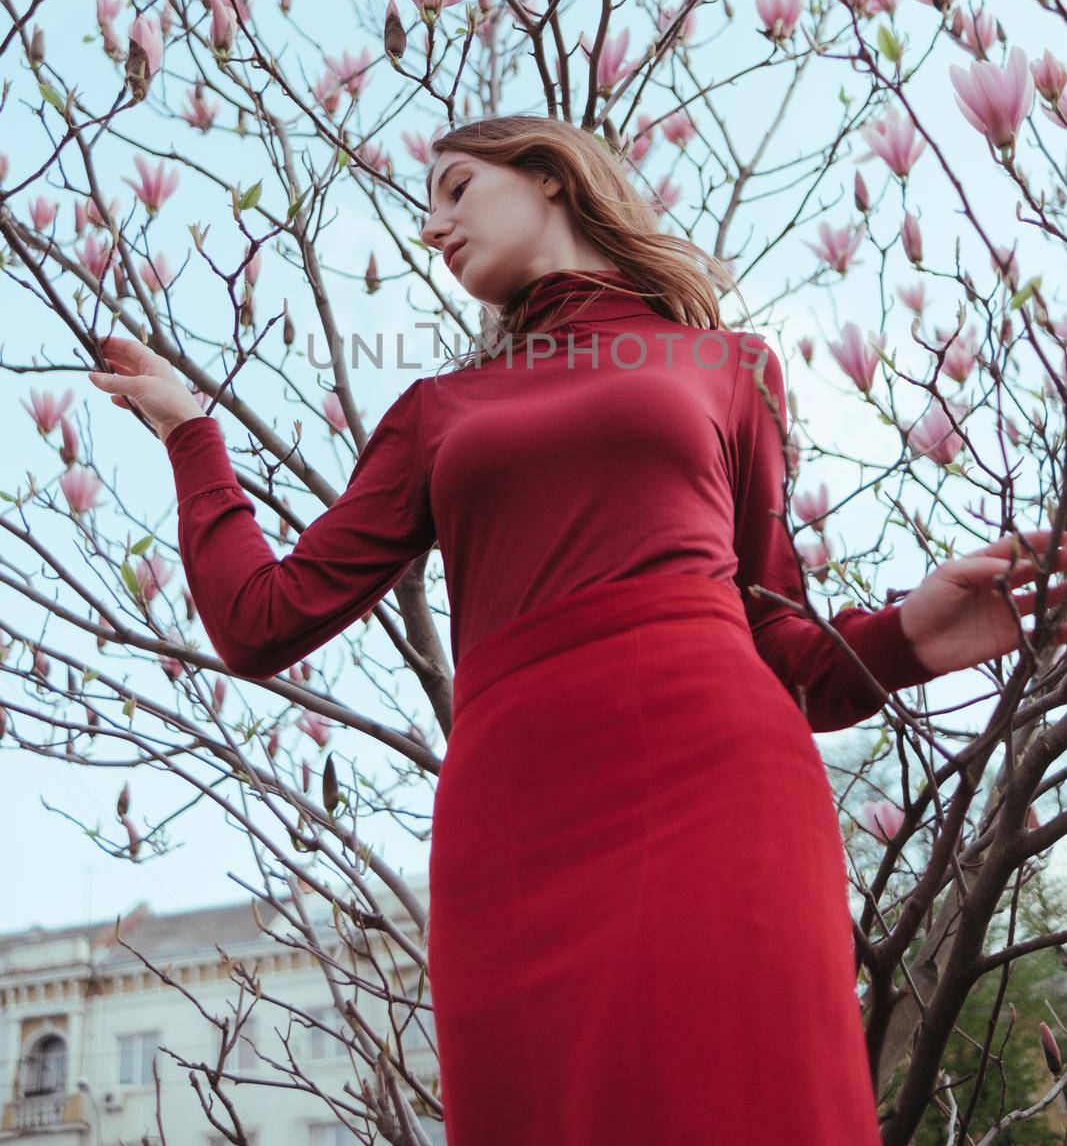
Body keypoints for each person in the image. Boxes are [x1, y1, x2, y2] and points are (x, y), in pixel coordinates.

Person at [86, 113, 1067, 1144]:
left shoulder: (729, 367)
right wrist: (191, 434)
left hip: (719, 784)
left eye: (455, 189)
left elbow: (781, 646)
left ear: (549, 175)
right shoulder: (436, 408)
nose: (432, 227)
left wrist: (909, 634)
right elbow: (258, 621)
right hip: (513, 822)